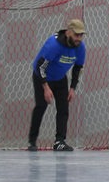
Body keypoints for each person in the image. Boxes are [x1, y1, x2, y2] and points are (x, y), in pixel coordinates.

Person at [28, 19, 86, 151]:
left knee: (63, 108)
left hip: (60, 78)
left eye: (81, 35)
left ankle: (59, 141)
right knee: (41, 106)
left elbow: (78, 67)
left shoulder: (80, 48)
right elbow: (40, 66)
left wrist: (72, 88)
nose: (79, 38)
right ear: (68, 33)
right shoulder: (54, 45)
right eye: (76, 35)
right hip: (41, 76)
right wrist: (46, 88)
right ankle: (32, 141)